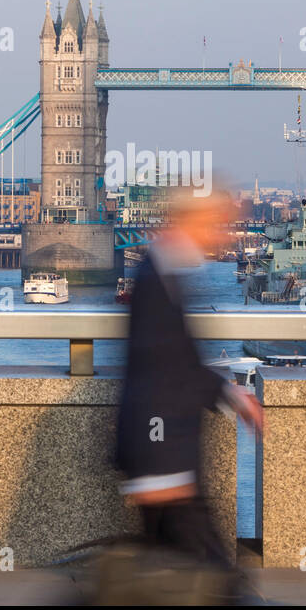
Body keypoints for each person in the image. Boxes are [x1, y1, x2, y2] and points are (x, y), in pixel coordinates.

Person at [115, 188, 264, 575]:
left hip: (166, 460)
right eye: (213, 222)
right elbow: (157, 373)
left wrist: (230, 393)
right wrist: (163, 471)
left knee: (168, 578)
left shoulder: (164, 270)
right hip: (164, 458)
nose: (220, 233)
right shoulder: (158, 276)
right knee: (212, 579)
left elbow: (176, 361)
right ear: (193, 222)